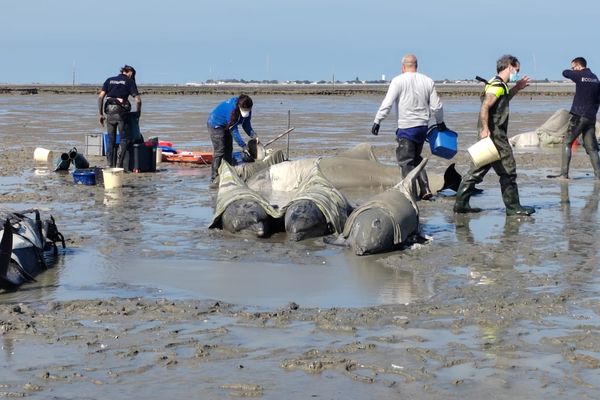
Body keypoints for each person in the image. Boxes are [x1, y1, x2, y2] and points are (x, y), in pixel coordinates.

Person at [453, 54, 535, 216]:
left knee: (477, 170)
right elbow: (485, 106)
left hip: (491, 135)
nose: (517, 73)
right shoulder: (496, 86)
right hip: (495, 136)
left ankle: (461, 204)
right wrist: (485, 129)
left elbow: (502, 100)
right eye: (516, 70)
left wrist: (517, 88)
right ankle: (513, 207)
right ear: (509, 67)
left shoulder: (497, 84)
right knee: (508, 171)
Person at [371, 54, 447, 200]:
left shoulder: (398, 81)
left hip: (406, 127)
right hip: (422, 127)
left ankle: (409, 193)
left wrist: (377, 121)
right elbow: (436, 106)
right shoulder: (427, 80)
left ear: (403, 67)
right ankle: (425, 190)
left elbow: (387, 103)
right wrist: (440, 122)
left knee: (406, 161)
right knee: (416, 158)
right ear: (416, 65)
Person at [548, 57, 600, 179]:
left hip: (579, 115)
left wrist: (574, 72)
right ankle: (598, 175)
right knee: (592, 148)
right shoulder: (595, 78)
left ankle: (564, 174)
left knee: (567, 142)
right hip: (591, 117)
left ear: (578, 66)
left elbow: (565, 73)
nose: (572, 69)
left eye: (573, 67)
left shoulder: (579, 75)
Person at [207, 94, 258, 186]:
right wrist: (243, 146)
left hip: (227, 125)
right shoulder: (232, 110)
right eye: (244, 110)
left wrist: (254, 135)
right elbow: (234, 132)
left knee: (229, 149)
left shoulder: (248, 111)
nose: (246, 111)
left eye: (248, 110)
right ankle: (214, 177)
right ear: (239, 106)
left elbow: (246, 125)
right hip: (216, 125)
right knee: (220, 150)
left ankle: (228, 171)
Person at [98, 65, 142, 168]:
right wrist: (138, 113)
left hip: (109, 112)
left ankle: (110, 166)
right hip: (121, 113)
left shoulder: (109, 80)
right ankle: (118, 167)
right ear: (129, 72)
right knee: (124, 140)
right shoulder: (129, 82)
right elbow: (138, 100)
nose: (133, 77)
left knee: (111, 140)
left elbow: (100, 97)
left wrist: (100, 114)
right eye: (133, 75)